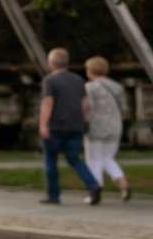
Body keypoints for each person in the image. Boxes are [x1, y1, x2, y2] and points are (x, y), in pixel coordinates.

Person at [39, 47, 102, 205]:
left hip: (55, 126)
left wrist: (43, 124)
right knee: (74, 159)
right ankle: (93, 185)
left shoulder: (50, 80)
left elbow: (48, 102)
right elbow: (85, 104)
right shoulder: (79, 80)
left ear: (51, 63)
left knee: (50, 160)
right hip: (75, 127)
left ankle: (53, 195)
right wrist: (80, 119)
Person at [82, 56, 131, 202]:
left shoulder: (89, 87)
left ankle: (95, 192)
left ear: (90, 71)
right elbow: (124, 108)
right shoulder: (117, 87)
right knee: (108, 158)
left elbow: (87, 108)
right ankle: (123, 183)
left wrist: (83, 122)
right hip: (115, 126)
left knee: (94, 159)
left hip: (96, 127)